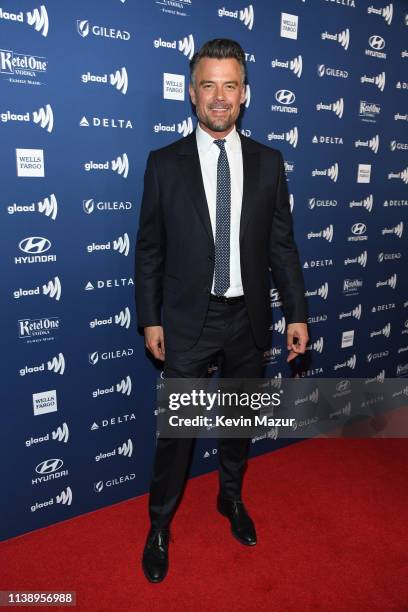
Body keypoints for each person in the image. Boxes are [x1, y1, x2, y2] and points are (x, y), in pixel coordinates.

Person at [135, 38, 309, 583]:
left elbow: (282, 245)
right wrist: (150, 317)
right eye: (207, 85)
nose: (218, 96)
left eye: (229, 85)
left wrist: (297, 314)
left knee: (237, 425)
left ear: (244, 94)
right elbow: (150, 250)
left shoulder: (269, 162)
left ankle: (230, 498)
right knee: (177, 435)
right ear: (191, 93)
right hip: (189, 319)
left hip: (248, 320)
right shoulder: (164, 164)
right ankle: (159, 523)